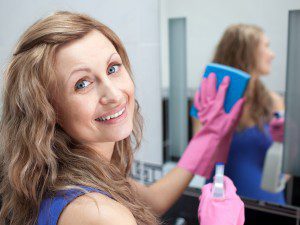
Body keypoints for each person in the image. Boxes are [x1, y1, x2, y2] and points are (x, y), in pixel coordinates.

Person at [0, 11, 244, 225]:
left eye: (112, 68)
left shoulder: (61, 174)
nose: (114, 95)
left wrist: (207, 134)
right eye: (82, 84)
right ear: (47, 109)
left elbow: (152, 200)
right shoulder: (100, 213)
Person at [191, 24, 286, 204]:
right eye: (266, 46)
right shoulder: (207, 101)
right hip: (221, 205)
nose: (272, 54)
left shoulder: (274, 102)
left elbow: (286, 172)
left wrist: (288, 147)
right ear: (246, 52)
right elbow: (198, 163)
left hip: (269, 204)